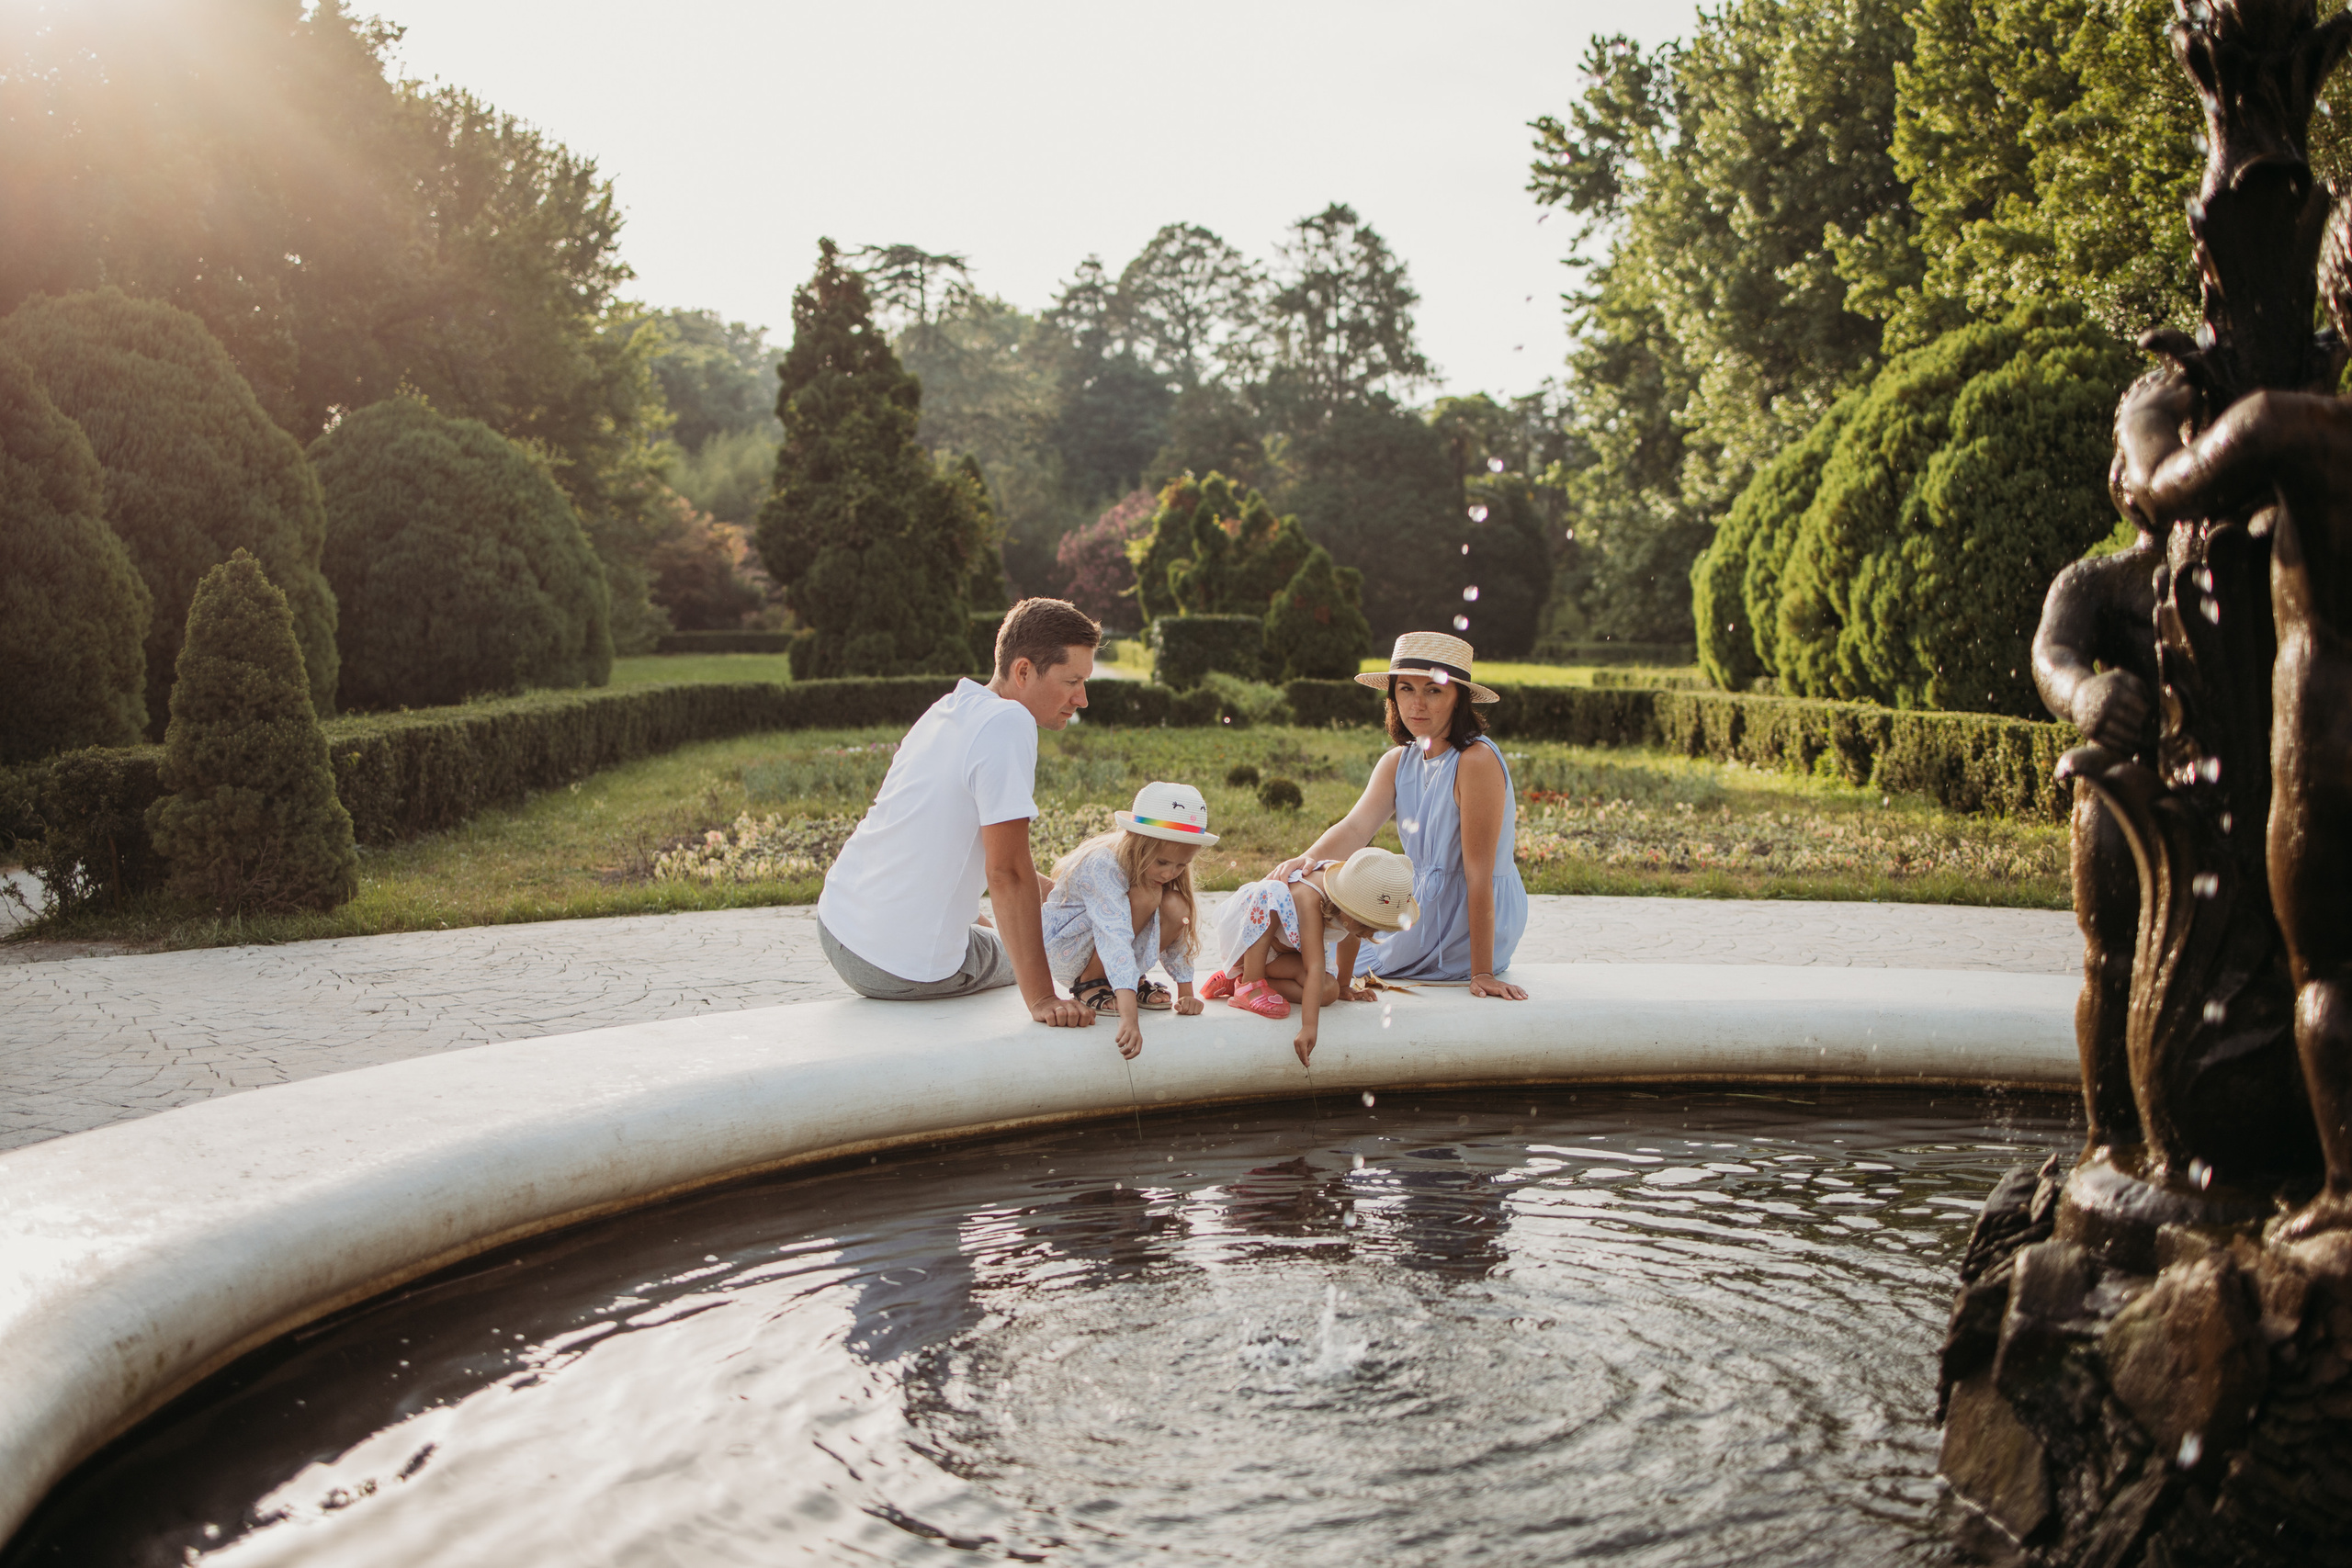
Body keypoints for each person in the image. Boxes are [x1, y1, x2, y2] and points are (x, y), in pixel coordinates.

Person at [815, 598, 1101, 1027]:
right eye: (1072, 681)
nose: (1082, 698)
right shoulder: (1009, 723)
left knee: (1003, 927)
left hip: (838, 926)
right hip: (897, 965)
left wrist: (1065, 895)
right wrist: (1043, 998)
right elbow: (1007, 873)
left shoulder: (949, 708)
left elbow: (944, 844)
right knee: (1051, 943)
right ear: (1023, 671)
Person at [1272, 632, 1529, 998]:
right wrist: (1305, 860)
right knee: (1303, 905)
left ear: (1459, 699)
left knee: (1318, 960)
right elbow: (1355, 828)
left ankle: (1255, 979)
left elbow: (1479, 874)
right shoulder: (1398, 761)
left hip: (1468, 924)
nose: (1416, 704)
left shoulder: (1476, 761)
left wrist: (1483, 972)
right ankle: (1249, 977)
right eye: (1406, 689)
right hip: (1417, 907)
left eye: (1434, 690)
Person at [1040, 781, 1213, 1060]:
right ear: (1137, 842)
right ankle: (1092, 983)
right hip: (1070, 951)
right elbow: (1114, 934)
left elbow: (1178, 922)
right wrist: (1129, 1018)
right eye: (1162, 862)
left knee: (1176, 904)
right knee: (1145, 896)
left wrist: (1186, 993)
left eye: (1181, 865)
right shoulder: (1102, 863)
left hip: (1111, 949)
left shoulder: (1160, 871)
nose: (1170, 873)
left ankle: (1129, 980)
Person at [1204, 845, 1419, 1065]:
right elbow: (1314, 966)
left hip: (1280, 952)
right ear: (1349, 908)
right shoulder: (1312, 898)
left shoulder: (1351, 893)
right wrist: (1309, 1026)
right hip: (1250, 939)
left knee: (1329, 991)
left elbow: (1351, 937)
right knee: (1271, 894)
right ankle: (1250, 981)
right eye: (1367, 925)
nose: (1370, 933)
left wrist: (1343, 985)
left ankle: (1236, 981)